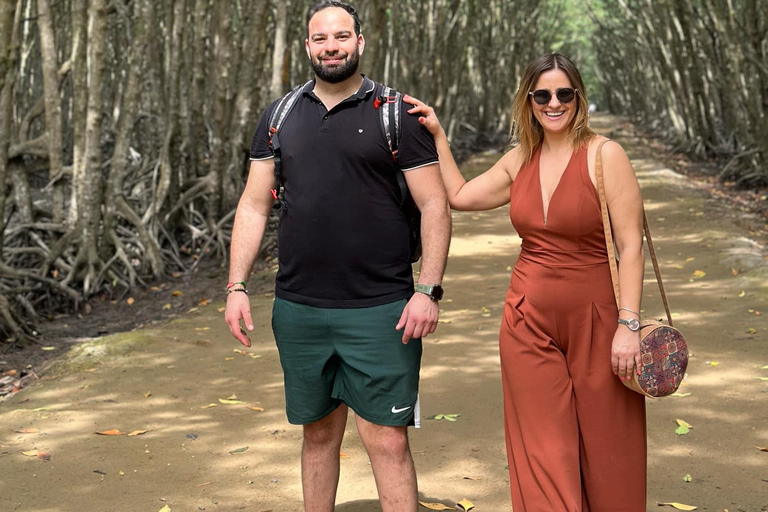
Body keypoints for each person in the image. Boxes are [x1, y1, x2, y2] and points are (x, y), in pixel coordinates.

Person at [224, 2, 451, 511]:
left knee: (388, 440)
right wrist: (236, 286)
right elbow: (254, 204)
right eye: (321, 39)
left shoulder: (396, 113)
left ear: (360, 42)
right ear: (307, 46)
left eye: (341, 36)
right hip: (300, 309)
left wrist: (427, 290)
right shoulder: (280, 116)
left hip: (381, 310)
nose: (331, 47)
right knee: (318, 437)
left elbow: (434, 204)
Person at [405, 53, 647, 511]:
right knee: (542, 446)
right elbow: (458, 196)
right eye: (542, 95)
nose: (553, 103)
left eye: (564, 94)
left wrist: (629, 326)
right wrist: (437, 135)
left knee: (608, 444)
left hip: (598, 319)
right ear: (529, 100)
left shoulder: (605, 156)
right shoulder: (520, 159)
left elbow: (630, 247)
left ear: (578, 97)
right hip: (526, 318)